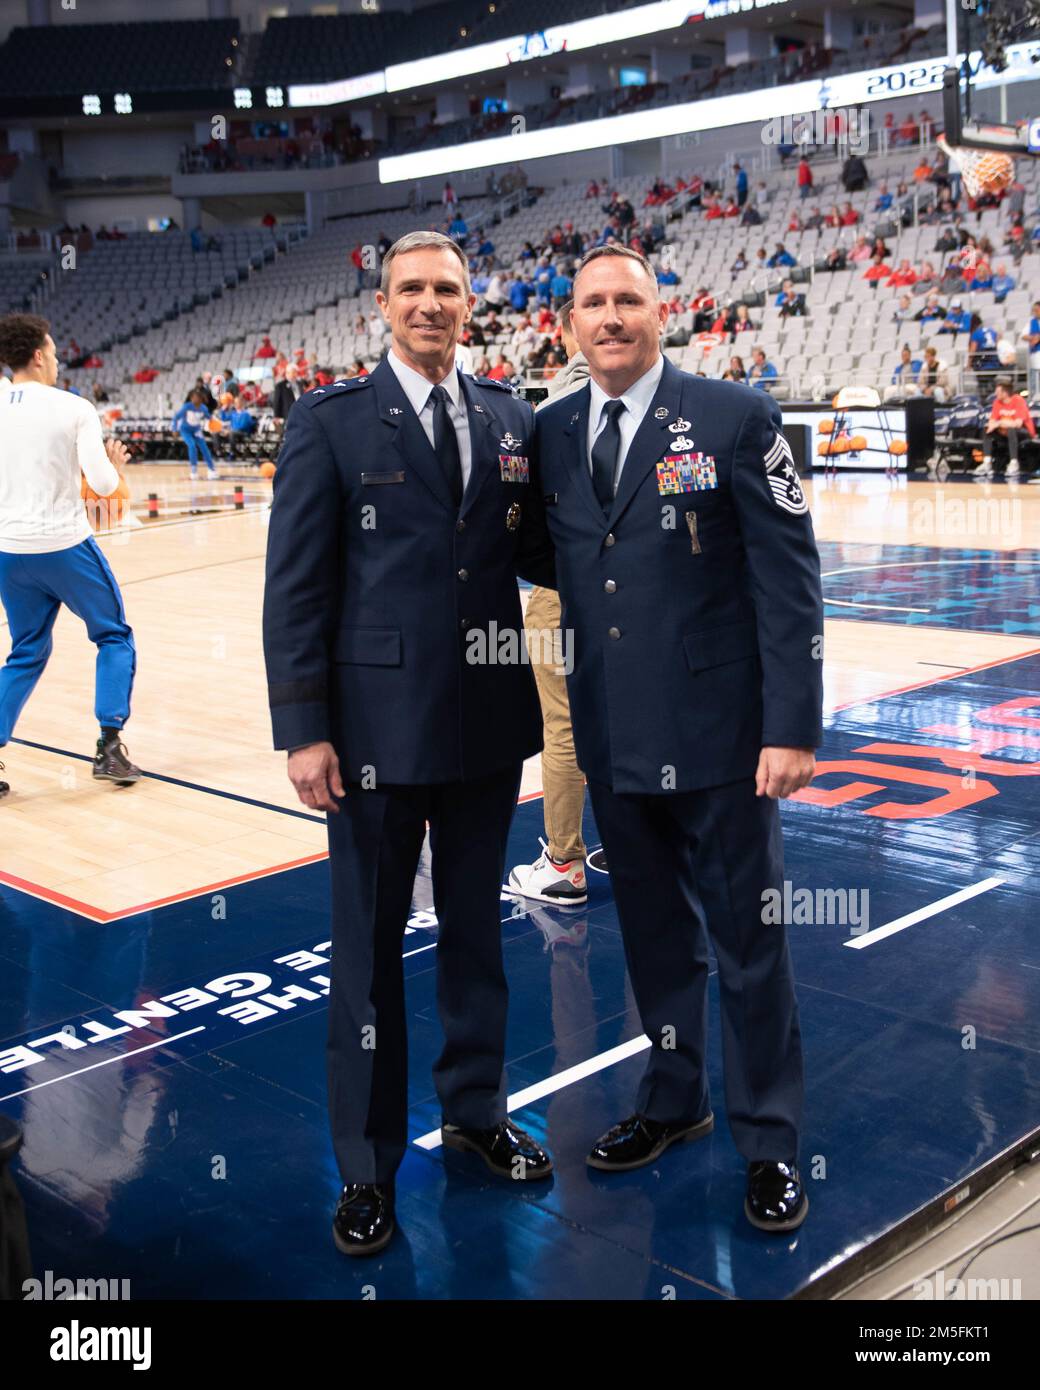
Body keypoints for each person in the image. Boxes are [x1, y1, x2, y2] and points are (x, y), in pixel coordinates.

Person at [262, 229, 557, 1259]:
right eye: (410, 288)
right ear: (380, 304)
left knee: (478, 936)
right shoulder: (329, 422)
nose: (429, 303)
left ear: (471, 302)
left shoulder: (512, 418)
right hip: (372, 738)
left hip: (484, 729)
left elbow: (544, 546)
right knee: (367, 956)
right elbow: (295, 586)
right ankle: (365, 1163)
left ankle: (477, 1112)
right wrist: (303, 731)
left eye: (446, 288)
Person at [535, 244, 822, 1231]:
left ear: (662, 314)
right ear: (568, 323)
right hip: (615, 737)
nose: (609, 318)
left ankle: (771, 1140)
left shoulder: (733, 418)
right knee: (655, 945)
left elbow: (788, 578)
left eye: (627, 301)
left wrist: (789, 724)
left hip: (722, 739)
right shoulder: (550, 431)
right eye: (592, 304)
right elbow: (565, 562)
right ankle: (672, 1099)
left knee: (747, 947)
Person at [0, 313, 141, 798]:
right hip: (63, 546)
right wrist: (115, 467)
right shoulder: (73, 407)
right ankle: (109, 746)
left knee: (25, 652)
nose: (59, 362)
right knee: (113, 636)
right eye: (55, 353)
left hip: (9, 551)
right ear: (38, 355)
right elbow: (102, 487)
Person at [509, 301, 593, 904]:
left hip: (562, 590)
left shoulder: (550, 411)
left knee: (562, 727)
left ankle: (565, 863)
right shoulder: (662, 401)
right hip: (637, 594)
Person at [975, 379, 1036, 478]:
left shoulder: (1018, 400)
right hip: (1005, 433)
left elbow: (1017, 424)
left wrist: (999, 423)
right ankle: (987, 463)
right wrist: (996, 424)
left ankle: (1014, 463)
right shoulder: (997, 402)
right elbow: (992, 422)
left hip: (1024, 433)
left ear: (1005, 393)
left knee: (1011, 429)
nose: (995, 394)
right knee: (987, 429)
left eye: (998, 392)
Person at [172, 389, 217, 480]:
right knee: (192, 446)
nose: (194, 399)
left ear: (200, 399)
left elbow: (209, 417)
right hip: (185, 430)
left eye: (196, 397)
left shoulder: (204, 408)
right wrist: (174, 429)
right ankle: (194, 470)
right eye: (192, 397)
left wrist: (216, 425)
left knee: (204, 448)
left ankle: (211, 469)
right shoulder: (186, 407)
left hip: (196, 431)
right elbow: (176, 418)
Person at [1020, 301, 1040, 397]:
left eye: (1036, 310)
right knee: (1035, 377)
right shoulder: (1032, 322)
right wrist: (1032, 338)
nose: (1035, 312)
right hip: (1035, 354)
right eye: (1034, 310)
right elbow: (1023, 335)